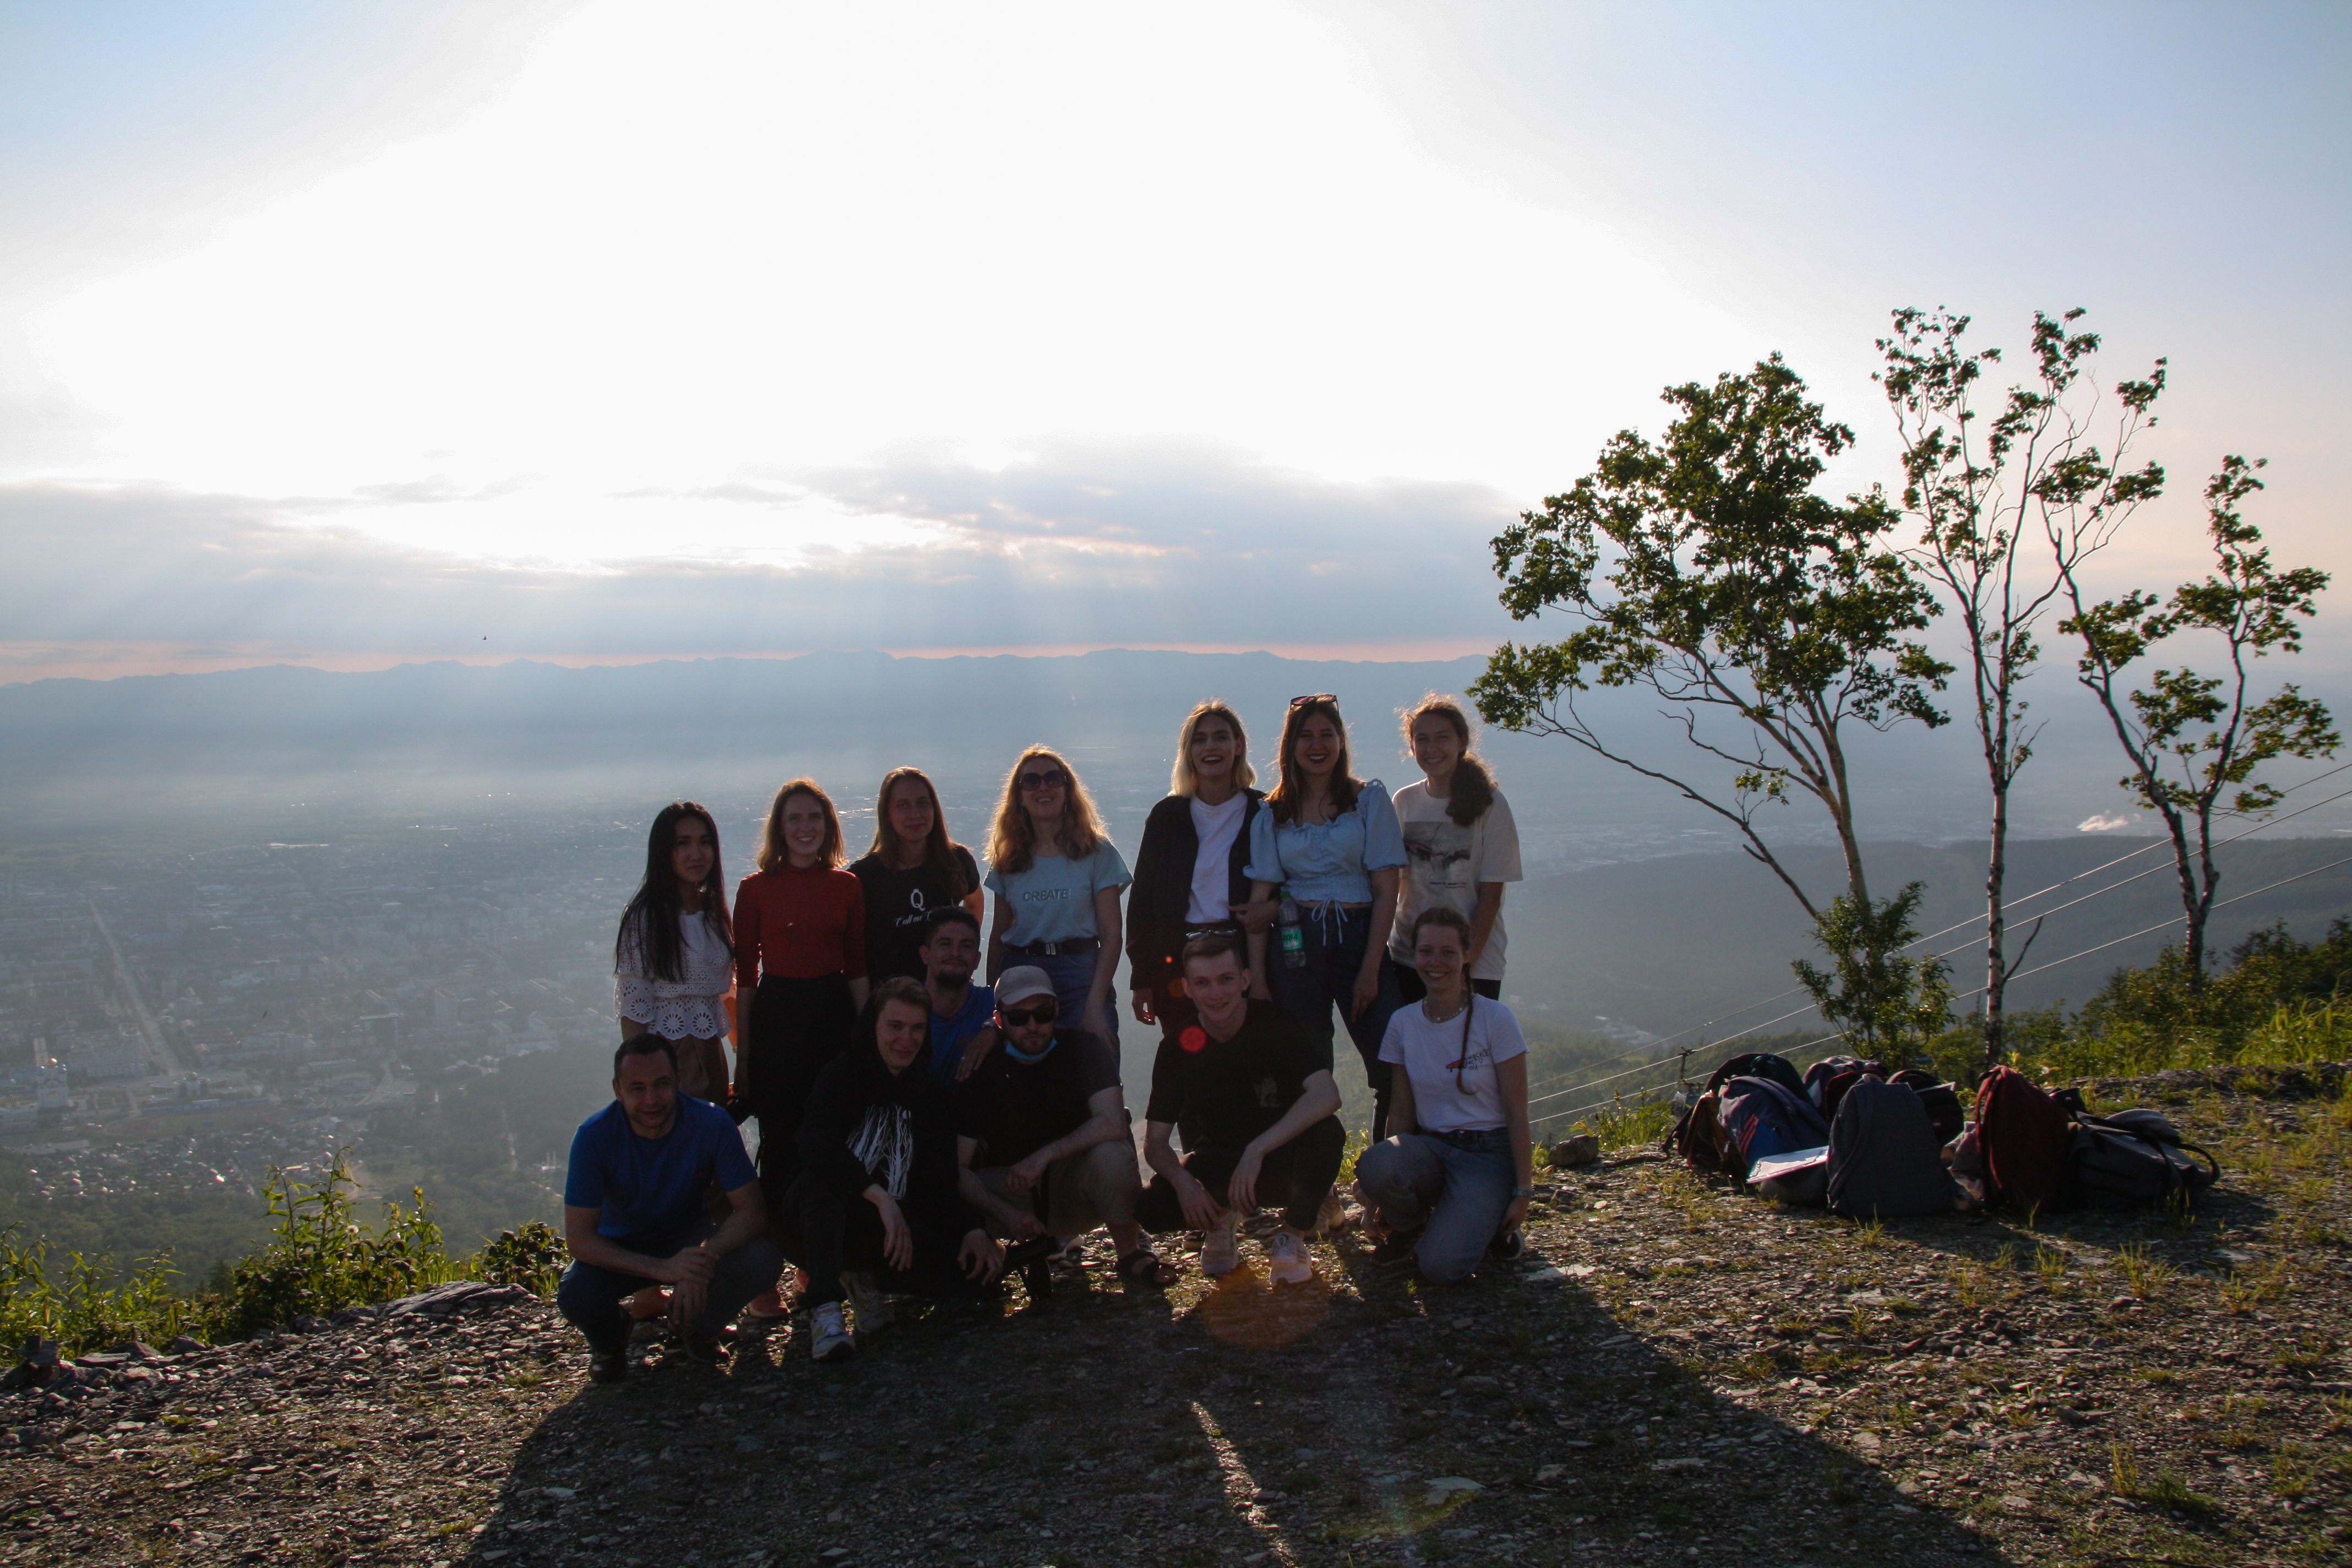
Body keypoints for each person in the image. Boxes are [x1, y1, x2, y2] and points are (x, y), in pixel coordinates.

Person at [780, 978, 1006, 1360]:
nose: (907, 1040)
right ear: (873, 1027)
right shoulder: (841, 1075)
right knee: (823, 1180)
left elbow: (938, 1182)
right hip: (817, 1218)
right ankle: (826, 1308)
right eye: (895, 1027)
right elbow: (815, 1145)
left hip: (888, 1230)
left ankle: (869, 1280)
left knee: (980, 1280)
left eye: (918, 1029)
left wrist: (972, 1229)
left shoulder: (929, 1095)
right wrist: (877, 1194)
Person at [558, 1035, 781, 1382]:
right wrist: (662, 1270)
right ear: (618, 1090)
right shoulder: (594, 1137)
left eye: (662, 1085)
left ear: (678, 1081)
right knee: (577, 1295)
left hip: (688, 1238)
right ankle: (611, 1338)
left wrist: (699, 1263)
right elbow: (581, 1240)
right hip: (623, 1247)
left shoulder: (711, 1123)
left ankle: (694, 1328)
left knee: (762, 1260)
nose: (651, 1100)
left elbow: (752, 1211)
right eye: (637, 1088)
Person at [1136, 932, 1344, 1287]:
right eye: (1203, 983)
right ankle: (1220, 1220)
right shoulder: (1177, 1047)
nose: (1216, 994)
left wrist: (1257, 1149)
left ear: (1245, 979)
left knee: (1328, 1134)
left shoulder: (1275, 1023)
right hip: (1220, 1161)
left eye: (1226, 979)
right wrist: (1186, 1184)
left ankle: (1292, 1236)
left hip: (1281, 1158)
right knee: (1151, 1207)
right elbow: (1155, 1142)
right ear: (1187, 988)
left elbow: (1327, 1095)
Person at [1244, 695, 1408, 1139]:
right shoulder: (1273, 815)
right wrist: (1258, 977)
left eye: (1326, 735)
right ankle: (1316, 1190)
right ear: (1290, 746)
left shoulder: (1368, 802)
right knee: (1307, 1074)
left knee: (1393, 1064)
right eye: (1306, 736)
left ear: (1341, 741)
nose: (1317, 745)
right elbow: (1261, 898)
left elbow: (1385, 886)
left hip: (1360, 939)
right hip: (1296, 946)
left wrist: (1372, 968)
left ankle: (1388, 1176)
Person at [954, 965, 1172, 1289]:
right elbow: (957, 1167)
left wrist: (1044, 1156)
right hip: (1010, 1199)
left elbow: (1112, 1122)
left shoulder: (1084, 1049)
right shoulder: (981, 1066)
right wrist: (1005, 1214)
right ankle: (989, 1250)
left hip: (1074, 1190)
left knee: (1113, 1156)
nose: (1032, 1026)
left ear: (1056, 1009)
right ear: (999, 1020)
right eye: (1018, 1018)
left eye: (1042, 1013)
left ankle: (1130, 1253)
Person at [1354, 907, 1534, 1283]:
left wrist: (1523, 1190)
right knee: (1374, 1164)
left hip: (1488, 1153)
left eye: (1448, 952)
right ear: (1413, 955)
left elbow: (1517, 1112)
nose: (1436, 962)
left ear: (1468, 955)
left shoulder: (1496, 1020)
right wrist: (1380, 1193)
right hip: (1435, 1148)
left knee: (1440, 1267)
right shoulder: (1403, 1024)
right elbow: (1401, 1112)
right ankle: (1412, 1229)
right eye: (1426, 952)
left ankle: (1494, 1220)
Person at [734, 778, 869, 1192]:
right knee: (780, 1133)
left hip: (833, 1015)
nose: (805, 827)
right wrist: (744, 1057)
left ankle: (834, 1239)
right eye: (794, 818)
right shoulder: (754, 890)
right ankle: (780, 1237)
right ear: (779, 828)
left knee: (835, 1128)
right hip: (777, 1019)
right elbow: (746, 978)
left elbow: (857, 968)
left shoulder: (847, 886)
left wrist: (866, 1041)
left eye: (814, 816)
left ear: (829, 825)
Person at [1126, 700, 1271, 1046]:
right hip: (1177, 962)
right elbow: (1142, 900)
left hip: (1244, 961)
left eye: (1220, 737)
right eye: (1200, 740)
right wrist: (1142, 978)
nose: (1211, 748)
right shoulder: (1167, 816)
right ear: (1188, 752)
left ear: (1238, 746)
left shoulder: (1264, 811)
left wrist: (1276, 906)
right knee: (1187, 1061)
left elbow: (1287, 881)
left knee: (1247, 1058)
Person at [984, 746, 1130, 1047]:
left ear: (1067, 788)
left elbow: (1113, 935)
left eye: (1053, 778)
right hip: (1020, 977)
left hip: (1082, 976)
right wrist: (992, 1005)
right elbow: (999, 935)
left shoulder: (1097, 852)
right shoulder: (1009, 859)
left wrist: (1094, 1006)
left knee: (1095, 1071)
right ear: (1019, 796)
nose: (1044, 787)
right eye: (1031, 782)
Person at [1387, 695, 1522, 1005]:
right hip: (1410, 959)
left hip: (1474, 964)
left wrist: (1464, 962)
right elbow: (1393, 882)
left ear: (1462, 742)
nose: (1432, 749)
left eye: (1442, 738)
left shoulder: (1490, 804)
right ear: (1412, 748)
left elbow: (1490, 897)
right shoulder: (1404, 801)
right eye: (1422, 740)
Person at [613, 802, 737, 1102]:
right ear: (664, 852)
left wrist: (741, 1057)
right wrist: (643, 1082)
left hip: (711, 1052)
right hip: (665, 1058)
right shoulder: (645, 918)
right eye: (683, 844)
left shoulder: (713, 913)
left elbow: (727, 992)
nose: (696, 854)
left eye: (705, 843)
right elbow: (634, 1006)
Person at [850, 766, 986, 986]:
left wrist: (961, 957)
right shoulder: (864, 876)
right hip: (891, 1002)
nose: (915, 815)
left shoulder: (956, 861)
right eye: (903, 806)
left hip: (946, 995)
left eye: (923, 803)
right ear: (887, 813)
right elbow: (851, 950)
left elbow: (975, 903)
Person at [918, 906, 998, 1085]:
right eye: (945, 944)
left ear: (977, 960)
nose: (955, 953)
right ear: (926, 955)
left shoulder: (992, 1003)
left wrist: (997, 1030)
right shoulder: (904, 1008)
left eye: (966, 946)